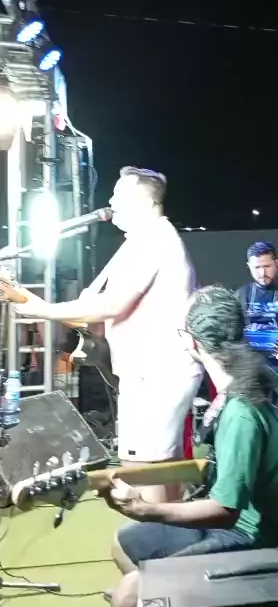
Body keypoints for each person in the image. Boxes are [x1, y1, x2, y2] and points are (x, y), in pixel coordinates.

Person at [102, 284, 278, 607]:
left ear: (192, 342)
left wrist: (145, 508)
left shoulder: (241, 413)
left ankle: (149, 606)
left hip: (250, 535)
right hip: (254, 519)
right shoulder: (259, 376)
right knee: (123, 543)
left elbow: (225, 511)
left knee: (127, 601)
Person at [13, 166, 202, 502]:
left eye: (119, 194)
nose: (111, 201)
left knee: (142, 470)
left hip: (158, 372)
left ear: (144, 200)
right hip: (152, 371)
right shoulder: (141, 242)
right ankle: (168, 530)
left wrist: (41, 309)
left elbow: (112, 305)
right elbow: (103, 310)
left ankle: (152, 530)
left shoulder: (155, 241)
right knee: (161, 466)